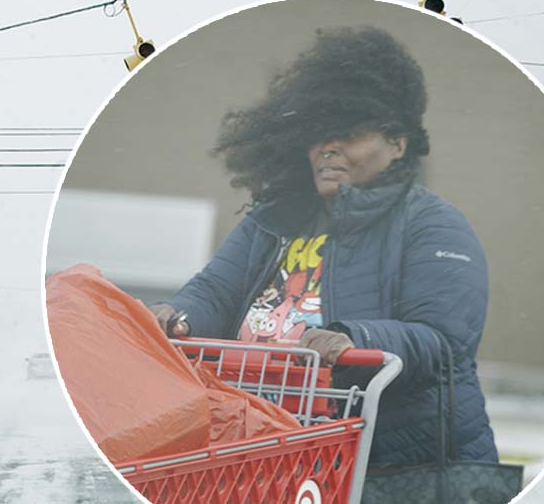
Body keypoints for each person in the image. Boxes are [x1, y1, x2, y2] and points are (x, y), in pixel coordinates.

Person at [150, 26, 498, 466]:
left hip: (390, 468)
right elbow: (215, 292)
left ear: (397, 145)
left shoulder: (434, 225)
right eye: (319, 133)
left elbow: (444, 344)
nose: (329, 147)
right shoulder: (271, 220)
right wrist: (175, 317)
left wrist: (354, 339)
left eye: (350, 134)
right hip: (266, 446)